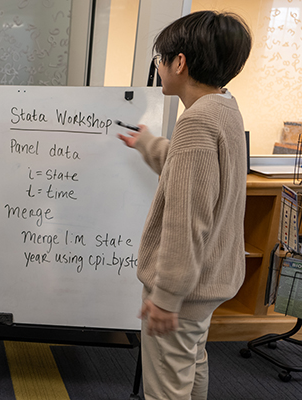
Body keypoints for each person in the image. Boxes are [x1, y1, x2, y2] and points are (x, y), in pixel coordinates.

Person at [117, 11, 252, 400]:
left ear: (180, 62)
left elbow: (186, 221)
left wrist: (165, 297)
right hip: (209, 280)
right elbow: (192, 172)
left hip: (184, 288)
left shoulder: (196, 124)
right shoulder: (224, 110)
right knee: (190, 362)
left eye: (160, 59)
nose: (158, 68)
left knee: (166, 385)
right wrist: (146, 143)